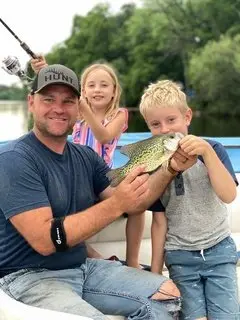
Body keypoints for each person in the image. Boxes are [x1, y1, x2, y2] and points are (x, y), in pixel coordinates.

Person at [0, 64, 195, 320]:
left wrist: (169, 168)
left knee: (168, 296)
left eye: (68, 101)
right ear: (31, 103)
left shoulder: (86, 157)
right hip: (28, 277)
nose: (59, 108)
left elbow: (135, 205)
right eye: (49, 99)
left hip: (83, 267)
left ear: (79, 107)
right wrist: (116, 205)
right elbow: (45, 241)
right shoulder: (13, 159)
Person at [31, 56, 145, 269]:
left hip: (103, 179)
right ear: (82, 91)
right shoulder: (77, 116)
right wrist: (43, 71)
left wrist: (85, 108)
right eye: (91, 85)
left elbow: (103, 136)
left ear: (114, 91)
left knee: (138, 208)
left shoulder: (119, 115)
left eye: (104, 85)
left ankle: (133, 261)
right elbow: (52, 110)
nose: (97, 90)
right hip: (76, 177)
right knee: (61, 207)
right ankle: (92, 254)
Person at [139, 79, 239, 319]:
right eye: (155, 124)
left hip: (219, 251)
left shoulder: (213, 149)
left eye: (171, 120)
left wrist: (206, 151)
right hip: (180, 257)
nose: (164, 129)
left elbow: (229, 195)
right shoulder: (155, 166)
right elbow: (159, 223)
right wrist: (155, 275)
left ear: (187, 117)